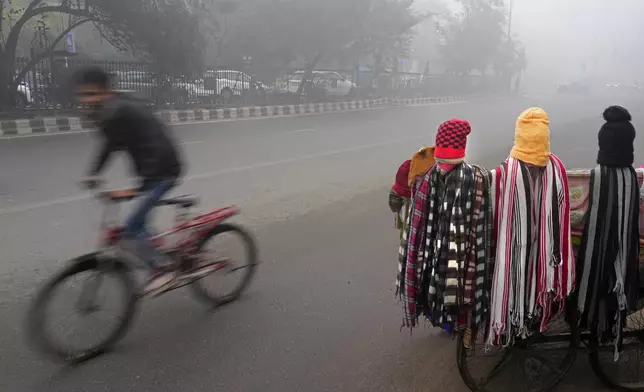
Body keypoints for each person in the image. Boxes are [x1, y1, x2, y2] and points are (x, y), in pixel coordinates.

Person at [73, 66, 182, 296]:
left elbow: (155, 144)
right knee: (140, 223)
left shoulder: (121, 111)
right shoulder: (111, 113)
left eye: (92, 94)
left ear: (106, 92)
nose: (86, 100)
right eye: (83, 95)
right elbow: (110, 144)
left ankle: (160, 270)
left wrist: (136, 189)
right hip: (152, 170)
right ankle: (160, 254)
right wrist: (94, 173)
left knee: (132, 225)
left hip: (165, 169)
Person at [486, 107, 574, 346]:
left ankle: (525, 312)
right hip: (531, 252)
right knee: (524, 263)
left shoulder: (508, 172)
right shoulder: (555, 169)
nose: (533, 167)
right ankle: (526, 311)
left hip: (533, 254)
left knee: (522, 264)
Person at [576, 106, 639, 359]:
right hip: (625, 177)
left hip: (605, 176)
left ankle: (588, 313)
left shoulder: (598, 176)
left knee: (597, 258)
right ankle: (614, 316)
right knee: (621, 257)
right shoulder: (631, 178)